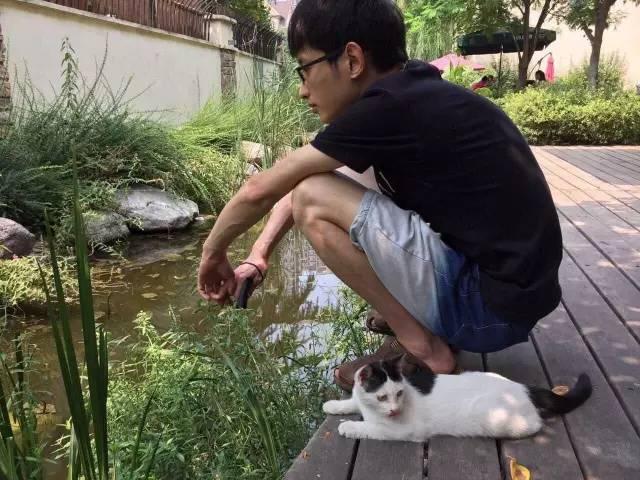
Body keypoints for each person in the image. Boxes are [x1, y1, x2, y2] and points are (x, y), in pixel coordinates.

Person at [197, 0, 562, 391]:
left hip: (488, 310)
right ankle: (420, 322)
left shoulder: (388, 108)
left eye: (305, 69)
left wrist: (212, 253)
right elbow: (305, 174)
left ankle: (423, 346)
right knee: (322, 182)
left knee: (312, 198)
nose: (302, 90)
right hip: (512, 299)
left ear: (352, 60)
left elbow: (261, 189)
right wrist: (259, 254)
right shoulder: (411, 92)